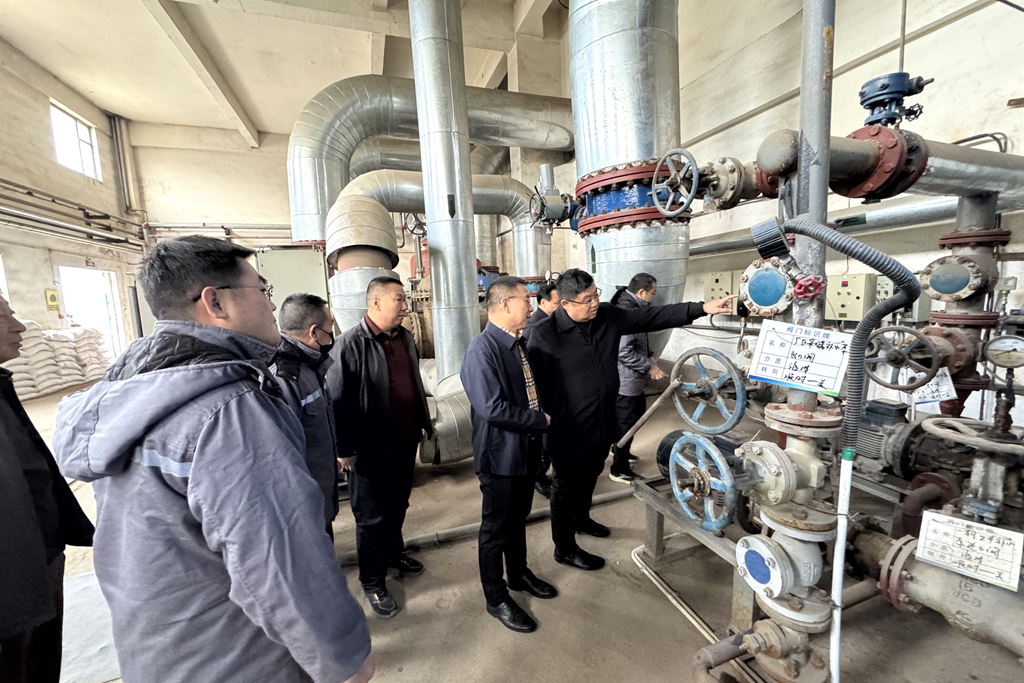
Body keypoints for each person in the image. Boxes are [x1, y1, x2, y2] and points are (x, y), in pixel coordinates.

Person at [51, 236, 373, 683]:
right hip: (240, 655)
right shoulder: (229, 410)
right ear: (215, 302)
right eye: (263, 289)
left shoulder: (130, 389)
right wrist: (343, 656)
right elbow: (276, 562)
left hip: (162, 648)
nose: (271, 304)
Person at [526, 268, 734, 571]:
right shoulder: (544, 335)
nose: (595, 303)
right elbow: (536, 389)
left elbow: (652, 317)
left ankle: (582, 519)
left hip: (602, 418)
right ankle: (565, 547)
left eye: (595, 295)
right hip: (566, 429)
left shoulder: (607, 316)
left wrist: (702, 308)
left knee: (591, 474)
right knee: (565, 486)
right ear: (566, 303)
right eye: (587, 300)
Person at [0, 294, 94, 683]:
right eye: (4, 318)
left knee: (39, 657)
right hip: (14, 571)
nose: (19, 326)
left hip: (41, 551)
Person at [328, 276, 433, 619]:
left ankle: (392, 555)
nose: (405, 306)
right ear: (375, 302)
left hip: (404, 440)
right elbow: (338, 401)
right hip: (369, 448)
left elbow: (413, 384)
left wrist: (424, 424)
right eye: (398, 299)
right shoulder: (349, 344)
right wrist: (344, 448)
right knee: (371, 516)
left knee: (398, 504)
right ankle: (372, 581)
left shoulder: (405, 337)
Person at [461, 277, 557, 634]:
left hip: (524, 450)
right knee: (495, 529)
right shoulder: (482, 350)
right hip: (500, 457)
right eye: (525, 300)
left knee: (517, 518)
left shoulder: (517, 343)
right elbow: (491, 408)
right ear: (504, 305)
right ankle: (496, 596)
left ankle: (518, 574)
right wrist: (540, 421)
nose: (530, 306)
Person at [272, 293, 340, 533]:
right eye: (329, 328)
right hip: (303, 509)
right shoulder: (285, 378)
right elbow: (282, 456)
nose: (332, 335)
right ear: (314, 332)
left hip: (320, 497)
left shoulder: (310, 367)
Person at [608, 273, 665, 483]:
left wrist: (651, 358)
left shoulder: (633, 308)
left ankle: (618, 449)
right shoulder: (628, 313)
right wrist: (648, 367)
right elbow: (623, 352)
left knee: (634, 413)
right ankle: (618, 469)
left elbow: (639, 342)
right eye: (652, 293)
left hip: (630, 379)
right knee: (627, 422)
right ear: (641, 292)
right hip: (626, 380)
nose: (653, 297)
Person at [524, 281, 560, 498]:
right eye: (556, 303)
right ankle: (539, 477)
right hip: (542, 392)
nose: (560, 307)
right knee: (543, 440)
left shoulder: (552, 322)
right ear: (543, 303)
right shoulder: (535, 327)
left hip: (554, 390)